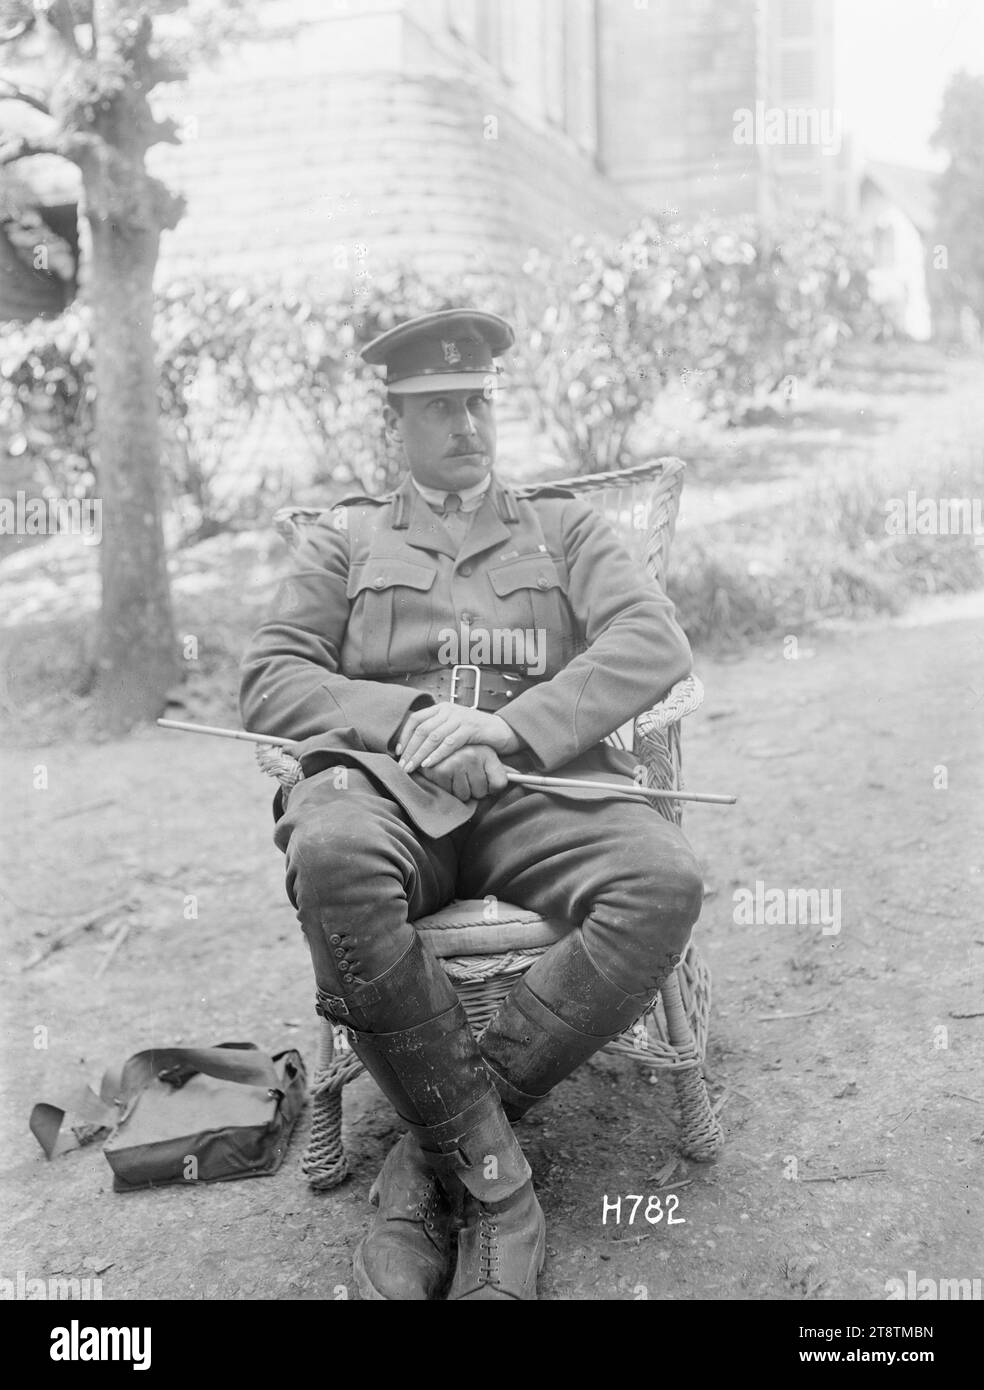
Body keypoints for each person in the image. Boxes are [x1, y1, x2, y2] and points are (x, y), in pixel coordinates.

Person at [240, 308, 705, 1300]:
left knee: (664, 879)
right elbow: (271, 677)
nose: (467, 423)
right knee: (330, 857)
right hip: (386, 796)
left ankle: (435, 1154)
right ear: (393, 426)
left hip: (534, 786)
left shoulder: (566, 528)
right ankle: (500, 1190)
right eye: (439, 407)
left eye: (479, 402)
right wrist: (406, 715)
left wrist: (510, 727)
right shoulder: (345, 540)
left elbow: (653, 643)